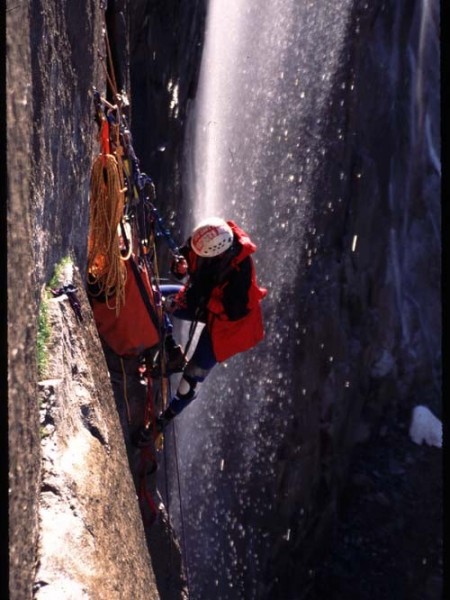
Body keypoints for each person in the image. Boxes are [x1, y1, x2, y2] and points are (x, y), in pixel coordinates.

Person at [156, 216, 267, 431]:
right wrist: (179, 268)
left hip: (231, 328)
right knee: (152, 297)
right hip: (204, 301)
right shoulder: (206, 237)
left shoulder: (240, 271)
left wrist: (204, 302)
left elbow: (234, 312)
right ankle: (171, 349)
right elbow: (185, 259)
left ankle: (165, 419)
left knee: (192, 377)